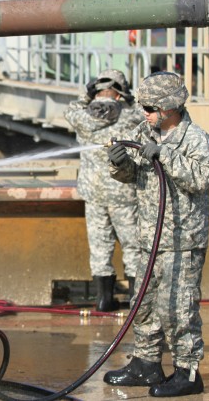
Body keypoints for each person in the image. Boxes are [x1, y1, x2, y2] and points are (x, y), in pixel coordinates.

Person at [104, 71, 209, 397]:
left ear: (169, 107)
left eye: (150, 107)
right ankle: (146, 364)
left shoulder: (195, 139)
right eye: (143, 106)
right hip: (150, 239)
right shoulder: (143, 132)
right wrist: (119, 164)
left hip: (183, 241)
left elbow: (200, 178)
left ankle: (187, 373)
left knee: (177, 309)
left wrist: (164, 155)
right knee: (145, 304)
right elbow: (130, 175)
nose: (145, 112)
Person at [63, 69, 144, 312]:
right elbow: (147, 113)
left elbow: (70, 109)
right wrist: (129, 98)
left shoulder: (80, 116)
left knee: (100, 246)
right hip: (123, 192)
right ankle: (135, 300)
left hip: (93, 193)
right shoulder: (130, 116)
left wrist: (86, 98)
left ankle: (104, 300)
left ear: (95, 91)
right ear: (120, 92)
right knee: (132, 246)